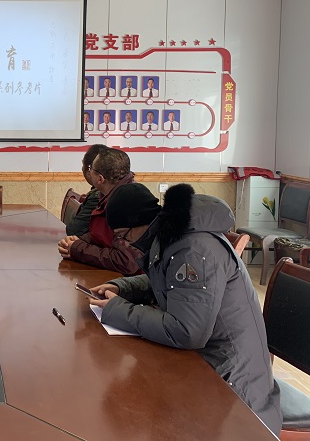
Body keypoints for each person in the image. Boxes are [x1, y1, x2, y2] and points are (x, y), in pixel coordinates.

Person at [86, 183, 282, 435]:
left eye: (124, 235)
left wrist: (118, 310)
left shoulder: (194, 248)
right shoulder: (173, 234)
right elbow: (172, 284)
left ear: (140, 222)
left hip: (235, 389)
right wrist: (123, 288)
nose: (125, 243)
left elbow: (187, 332)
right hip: (208, 363)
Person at [57, 148, 142, 275]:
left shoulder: (127, 203)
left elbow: (126, 261)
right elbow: (103, 235)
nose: (89, 172)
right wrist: (79, 241)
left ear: (100, 179)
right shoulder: (109, 194)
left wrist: (78, 248)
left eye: (91, 169)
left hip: (130, 282)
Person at [65, 144, 108, 237]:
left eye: (83, 168)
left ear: (90, 171)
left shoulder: (99, 196)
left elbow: (74, 230)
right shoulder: (125, 185)